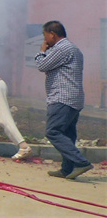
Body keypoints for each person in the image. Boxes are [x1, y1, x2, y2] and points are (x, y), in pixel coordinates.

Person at [35, 20, 93, 180]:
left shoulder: (62, 48)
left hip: (62, 97)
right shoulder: (73, 48)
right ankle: (67, 169)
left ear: (52, 34)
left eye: (45, 35)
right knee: (67, 135)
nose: (45, 40)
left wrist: (41, 51)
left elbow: (42, 65)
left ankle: (81, 162)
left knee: (52, 131)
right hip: (74, 98)